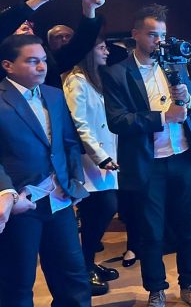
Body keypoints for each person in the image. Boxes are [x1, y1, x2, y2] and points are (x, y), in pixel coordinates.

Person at [100, 4, 191, 307]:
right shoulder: (117, 73)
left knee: (188, 227)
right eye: (152, 34)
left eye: (162, 34)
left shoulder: (177, 65)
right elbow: (118, 121)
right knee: (151, 231)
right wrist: (163, 117)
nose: (159, 41)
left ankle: (189, 284)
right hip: (148, 163)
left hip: (184, 157)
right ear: (135, 34)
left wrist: (188, 102)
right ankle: (156, 290)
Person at [0, 34, 91, 306]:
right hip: (21, 204)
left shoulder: (54, 94)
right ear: (8, 65)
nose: (42, 67)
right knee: (17, 284)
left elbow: (69, 143)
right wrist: (6, 192)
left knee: (73, 278)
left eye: (43, 60)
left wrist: (73, 183)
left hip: (59, 200)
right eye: (32, 61)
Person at [63, 38, 125, 296]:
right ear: (88, 51)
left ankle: (87, 262)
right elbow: (80, 124)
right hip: (90, 158)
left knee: (101, 209)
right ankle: (84, 267)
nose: (107, 52)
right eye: (101, 48)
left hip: (105, 154)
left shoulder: (95, 78)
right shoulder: (76, 80)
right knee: (100, 208)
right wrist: (100, 156)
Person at [2, 0, 108, 88]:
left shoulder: (50, 65)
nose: (41, 67)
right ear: (7, 65)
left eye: (28, 25)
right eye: (19, 25)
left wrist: (89, 8)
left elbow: (79, 47)